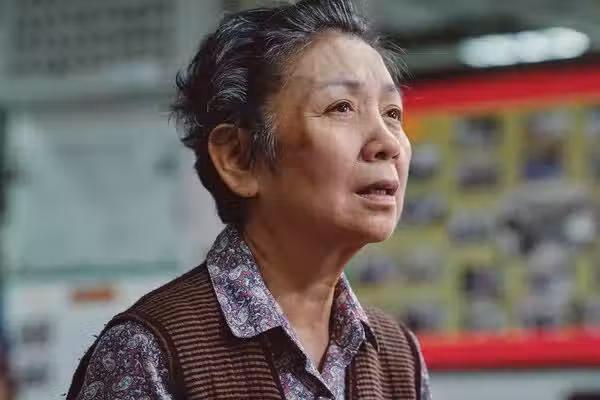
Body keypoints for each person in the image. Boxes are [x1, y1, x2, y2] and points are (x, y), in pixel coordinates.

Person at [67, 0, 432, 399]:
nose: (388, 142)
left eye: (392, 113)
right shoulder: (150, 353)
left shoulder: (399, 357)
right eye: (341, 107)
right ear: (239, 158)